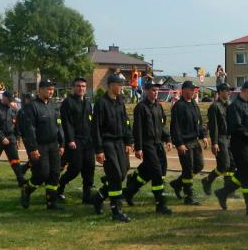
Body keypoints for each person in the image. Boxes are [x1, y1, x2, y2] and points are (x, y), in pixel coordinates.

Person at [213, 81, 248, 215]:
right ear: (247, 90)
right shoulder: (234, 106)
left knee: (244, 172)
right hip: (239, 144)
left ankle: (223, 192)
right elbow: (236, 129)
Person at [124, 80, 173, 215]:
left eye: (157, 90)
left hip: (158, 143)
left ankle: (129, 191)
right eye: (153, 90)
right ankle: (160, 204)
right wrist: (139, 147)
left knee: (151, 171)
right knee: (156, 171)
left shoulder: (158, 106)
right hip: (147, 144)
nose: (155, 92)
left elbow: (162, 125)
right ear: (146, 91)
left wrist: (168, 139)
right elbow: (137, 128)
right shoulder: (140, 107)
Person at [92, 73, 134, 221]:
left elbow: (126, 122)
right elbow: (96, 128)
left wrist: (128, 141)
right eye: (120, 84)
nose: (122, 87)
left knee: (122, 173)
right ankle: (116, 210)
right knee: (115, 175)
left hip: (120, 142)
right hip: (107, 143)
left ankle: (99, 197)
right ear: (111, 85)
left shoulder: (120, 101)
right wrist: (99, 150)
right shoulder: (101, 103)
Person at [19, 79, 65, 209]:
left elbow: (59, 125)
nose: (51, 92)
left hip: (53, 144)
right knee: (42, 174)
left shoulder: (53, 105)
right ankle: (26, 189)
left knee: (55, 173)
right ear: (40, 90)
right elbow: (29, 129)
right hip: (39, 145)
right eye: (48, 89)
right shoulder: (32, 107)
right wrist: (33, 148)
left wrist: (62, 144)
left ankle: (51, 202)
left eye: (52, 89)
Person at [57, 78, 95, 204]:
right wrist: (70, 139)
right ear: (73, 87)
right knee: (75, 169)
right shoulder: (68, 102)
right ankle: (60, 186)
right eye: (78, 86)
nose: (81, 88)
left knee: (89, 167)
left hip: (88, 141)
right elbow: (66, 123)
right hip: (75, 140)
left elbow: (90, 121)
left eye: (83, 86)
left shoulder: (87, 103)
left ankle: (87, 195)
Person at [169, 80, 207, 205]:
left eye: (194, 90)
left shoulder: (194, 104)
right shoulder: (179, 106)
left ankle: (177, 183)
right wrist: (179, 143)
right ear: (184, 90)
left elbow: (199, 122)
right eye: (191, 89)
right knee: (188, 169)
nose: (193, 91)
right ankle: (188, 196)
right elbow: (175, 127)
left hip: (195, 141)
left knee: (199, 166)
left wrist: (203, 136)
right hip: (185, 143)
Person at [0, 89, 26, 189]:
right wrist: (2, 138)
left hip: (10, 137)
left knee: (15, 159)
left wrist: (17, 138)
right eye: (9, 99)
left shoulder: (12, 109)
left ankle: (20, 180)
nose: (10, 102)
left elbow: (16, 125)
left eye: (11, 100)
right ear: (3, 97)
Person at [202, 83, 233, 196]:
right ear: (220, 92)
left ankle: (228, 190)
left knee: (232, 165)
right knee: (224, 165)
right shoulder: (214, 106)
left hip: (230, 138)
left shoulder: (229, 105)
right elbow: (213, 126)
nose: (229, 92)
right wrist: (214, 143)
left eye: (229, 90)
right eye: (226, 90)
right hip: (220, 138)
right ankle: (207, 180)